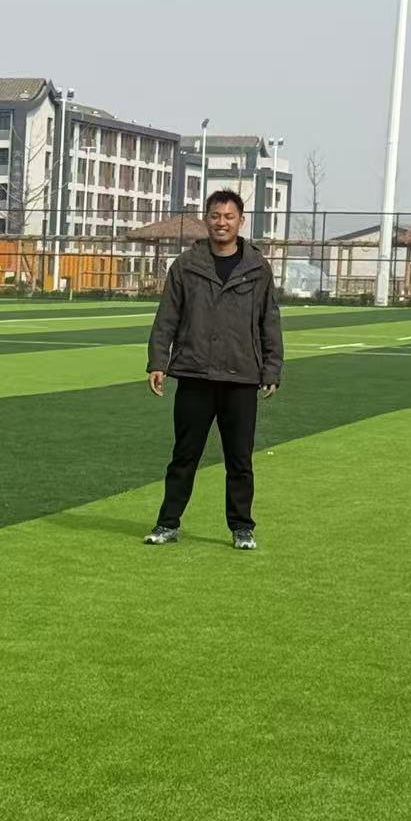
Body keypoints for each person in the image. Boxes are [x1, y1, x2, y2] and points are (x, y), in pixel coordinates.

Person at [144, 189, 284, 551]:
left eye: (229, 217)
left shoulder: (258, 268)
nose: (222, 222)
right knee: (184, 456)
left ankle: (242, 527)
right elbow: (167, 317)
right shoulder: (186, 265)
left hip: (241, 376)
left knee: (239, 460)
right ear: (206, 219)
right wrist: (158, 361)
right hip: (195, 374)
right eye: (215, 216)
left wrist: (271, 368)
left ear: (241, 221)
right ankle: (167, 523)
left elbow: (269, 320)